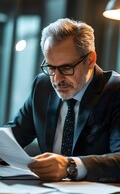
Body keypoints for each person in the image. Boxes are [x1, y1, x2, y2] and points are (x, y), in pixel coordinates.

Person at [2, 18, 120, 182]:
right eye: (50, 67)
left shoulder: (116, 91)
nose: (57, 79)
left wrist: (70, 166)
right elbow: (13, 135)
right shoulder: (42, 86)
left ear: (90, 60)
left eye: (66, 67)